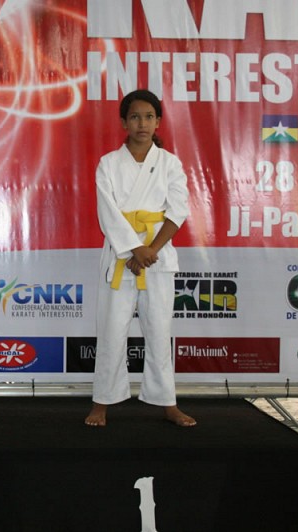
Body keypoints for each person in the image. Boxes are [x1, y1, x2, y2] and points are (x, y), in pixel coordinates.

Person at [85, 90, 196, 428]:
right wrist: (135, 249)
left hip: (157, 257)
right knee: (111, 330)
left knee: (160, 331)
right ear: (124, 122)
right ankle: (102, 402)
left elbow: (178, 211)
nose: (142, 123)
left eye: (149, 117)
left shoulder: (170, 164)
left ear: (158, 121)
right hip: (121, 257)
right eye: (135, 117)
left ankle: (167, 403)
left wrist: (151, 250)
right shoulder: (108, 163)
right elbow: (107, 213)